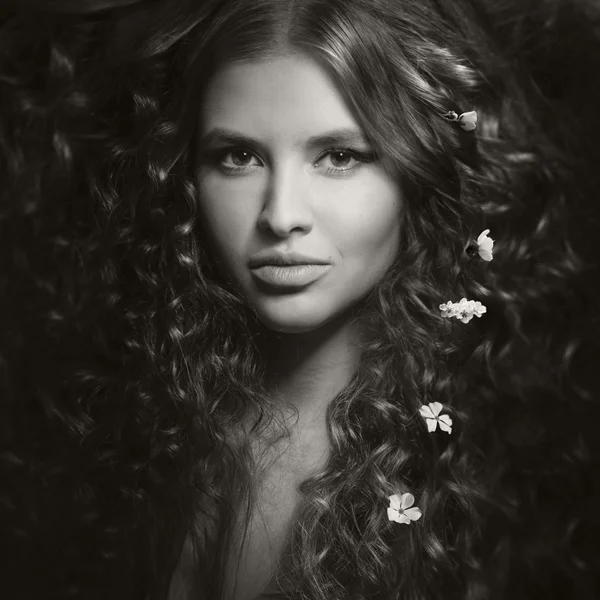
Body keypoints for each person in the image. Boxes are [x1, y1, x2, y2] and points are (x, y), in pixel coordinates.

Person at [1, 1, 599, 599]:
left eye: (340, 157)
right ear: (184, 173)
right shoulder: (151, 428)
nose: (281, 215)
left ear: (424, 172)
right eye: (239, 157)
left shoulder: (480, 481)